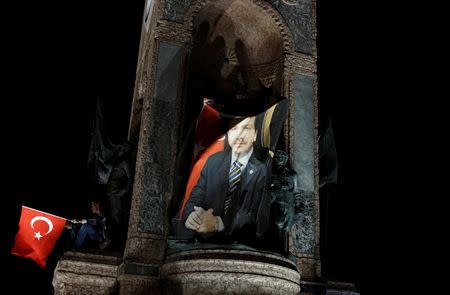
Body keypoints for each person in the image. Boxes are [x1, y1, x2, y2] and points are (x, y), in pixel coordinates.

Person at [181, 116, 269, 243]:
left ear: (255, 135)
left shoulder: (263, 169)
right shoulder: (213, 161)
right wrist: (192, 216)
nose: (240, 135)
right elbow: (195, 198)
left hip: (243, 246)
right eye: (234, 129)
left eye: (246, 128)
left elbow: (254, 215)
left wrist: (218, 223)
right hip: (204, 243)